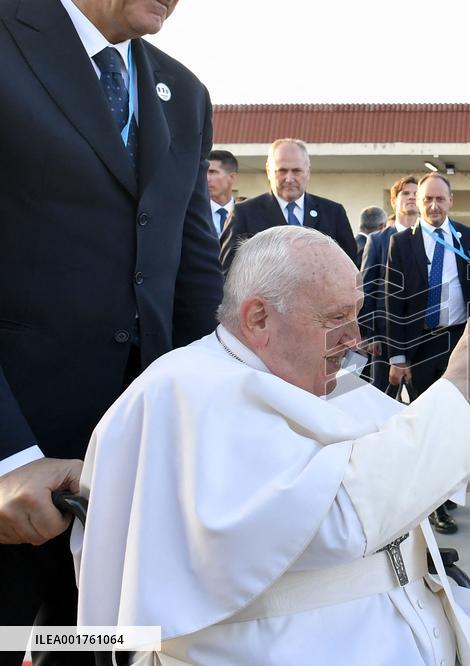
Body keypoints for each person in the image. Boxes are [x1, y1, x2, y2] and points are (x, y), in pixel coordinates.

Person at [72, 226, 470, 666]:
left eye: (357, 316)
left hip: (411, 610)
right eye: (336, 319)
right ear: (258, 318)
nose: (355, 340)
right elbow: (341, 516)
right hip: (305, 641)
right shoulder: (185, 395)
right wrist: (460, 387)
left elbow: (409, 449)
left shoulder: (311, 373)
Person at [0, 1, 223, 664]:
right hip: (16, 467)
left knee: (92, 647)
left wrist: (215, 426)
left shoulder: (184, 92)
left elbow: (193, 280)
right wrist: (8, 456)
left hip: (125, 480)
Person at [385, 172, 470, 534]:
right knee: (428, 426)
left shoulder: (468, 237)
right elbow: (392, 301)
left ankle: (447, 496)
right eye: (427, 199)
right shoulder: (402, 243)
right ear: (417, 202)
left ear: (451, 201)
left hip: (458, 341)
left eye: (440, 199)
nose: (433, 206)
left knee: (455, 423)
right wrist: (398, 357)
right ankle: (430, 506)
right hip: (421, 345)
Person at [220, 138, 357, 270]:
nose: (289, 179)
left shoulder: (333, 213)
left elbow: (351, 268)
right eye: (282, 171)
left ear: (308, 171)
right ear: (269, 171)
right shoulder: (244, 213)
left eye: (296, 171)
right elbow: (227, 270)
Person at [359, 175, 420, 393]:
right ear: (394, 201)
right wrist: (370, 333)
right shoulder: (377, 240)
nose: (412, 197)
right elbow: (367, 288)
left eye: (416, 193)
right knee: (382, 402)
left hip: (422, 337)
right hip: (385, 338)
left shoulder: (433, 240)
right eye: (406, 193)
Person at [207, 149, 240, 238]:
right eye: (203, 172)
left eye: (212, 172)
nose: (206, 178)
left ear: (232, 177)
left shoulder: (246, 214)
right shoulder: (192, 213)